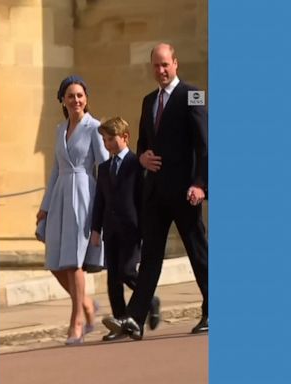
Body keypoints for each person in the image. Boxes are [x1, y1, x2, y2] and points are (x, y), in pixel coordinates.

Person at [103, 42, 208, 339]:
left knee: (198, 252)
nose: (161, 71)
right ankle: (135, 319)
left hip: (186, 193)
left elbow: (205, 145)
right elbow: (141, 144)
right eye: (156, 66)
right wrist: (144, 157)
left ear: (175, 63)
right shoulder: (148, 100)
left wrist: (200, 184)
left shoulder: (194, 94)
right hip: (155, 195)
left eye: (165, 64)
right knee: (149, 258)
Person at [36, 75, 109, 345]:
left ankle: (77, 320)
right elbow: (56, 169)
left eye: (80, 95)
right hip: (60, 197)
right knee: (55, 260)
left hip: (84, 195)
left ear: (86, 98)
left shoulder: (94, 127)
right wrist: (44, 208)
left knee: (74, 261)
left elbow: (104, 166)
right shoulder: (59, 129)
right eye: (70, 96)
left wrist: (106, 203)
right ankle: (88, 304)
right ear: (63, 101)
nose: (76, 100)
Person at [90, 117, 160, 341]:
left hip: (132, 228)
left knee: (127, 271)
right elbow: (99, 201)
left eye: (111, 139)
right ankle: (120, 322)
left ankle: (149, 300)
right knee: (113, 279)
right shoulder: (103, 168)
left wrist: (146, 228)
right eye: (104, 140)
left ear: (125, 137)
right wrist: (95, 229)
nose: (107, 144)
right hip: (111, 230)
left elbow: (142, 199)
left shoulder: (135, 164)